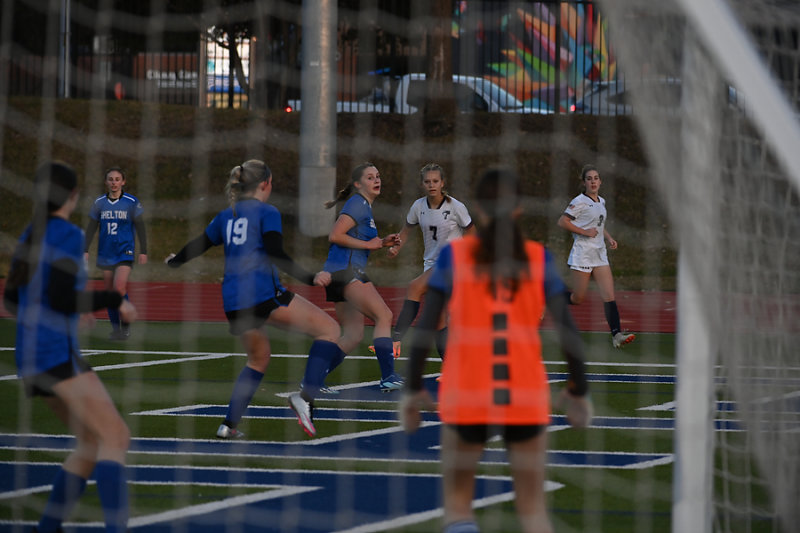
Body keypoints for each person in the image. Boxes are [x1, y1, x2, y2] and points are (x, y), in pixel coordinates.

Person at [401, 168, 593, 533]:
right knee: (533, 510)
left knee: (458, 506)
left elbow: (427, 326)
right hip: (524, 392)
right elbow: (568, 331)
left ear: (479, 210)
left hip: (468, 390)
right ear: (518, 209)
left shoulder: (455, 256)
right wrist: (577, 390)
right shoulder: (537, 257)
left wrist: (413, 388)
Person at [3, 161, 137, 533]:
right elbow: (63, 297)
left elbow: (12, 298)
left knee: (91, 443)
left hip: (30, 356)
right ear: (74, 197)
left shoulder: (32, 234)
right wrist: (114, 300)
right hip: (53, 354)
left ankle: (47, 527)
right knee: (115, 436)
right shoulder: (67, 234)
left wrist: (60, 310)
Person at [165, 160, 341, 439]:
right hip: (262, 294)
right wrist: (311, 277)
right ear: (265, 184)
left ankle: (228, 425)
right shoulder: (267, 212)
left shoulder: (228, 214)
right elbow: (276, 253)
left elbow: (201, 243)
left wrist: (176, 261)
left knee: (258, 360)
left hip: (234, 302)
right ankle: (305, 397)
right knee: (329, 330)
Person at [321, 162, 404, 392]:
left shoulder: (364, 207)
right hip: (346, 271)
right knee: (384, 315)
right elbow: (335, 235)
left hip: (337, 272)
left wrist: (381, 242)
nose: (376, 180)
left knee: (354, 334)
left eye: (378, 176)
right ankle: (388, 376)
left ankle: (313, 379)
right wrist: (370, 244)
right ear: (357, 184)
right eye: (370, 177)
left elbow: (359, 240)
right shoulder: (358, 203)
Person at [386, 163, 474, 359]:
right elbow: (406, 231)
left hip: (452, 263)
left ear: (443, 183)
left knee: (414, 287)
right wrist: (396, 248)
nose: (431, 185)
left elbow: (472, 232)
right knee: (439, 321)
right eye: (427, 182)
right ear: (422, 184)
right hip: (431, 264)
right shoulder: (418, 206)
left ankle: (395, 340)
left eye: (435, 181)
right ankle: (452, 365)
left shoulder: (456, 207)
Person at [557, 164, 636, 348]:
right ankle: (547, 297)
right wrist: (584, 232)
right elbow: (562, 221)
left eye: (596, 178)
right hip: (583, 254)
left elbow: (599, 224)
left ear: (600, 181)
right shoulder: (579, 201)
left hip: (599, 254)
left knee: (609, 295)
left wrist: (608, 237)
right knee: (578, 298)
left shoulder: (602, 201)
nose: (593, 182)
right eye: (589, 179)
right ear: (584, 182)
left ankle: (617, 335)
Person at [84, 166, 147, 340]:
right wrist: (85, 249)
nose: (114, 183)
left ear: (123, 182)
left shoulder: (131, 201)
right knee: (110, 292)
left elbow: (140, 226)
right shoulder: (99, 202)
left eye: (117, 179)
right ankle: (116, 329)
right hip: (106, 252)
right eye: (111, 179)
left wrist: (144, 251)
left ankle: (125, 326)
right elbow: (91, 227)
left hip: (125, 251)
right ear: (106, 182)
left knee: (119, 287)